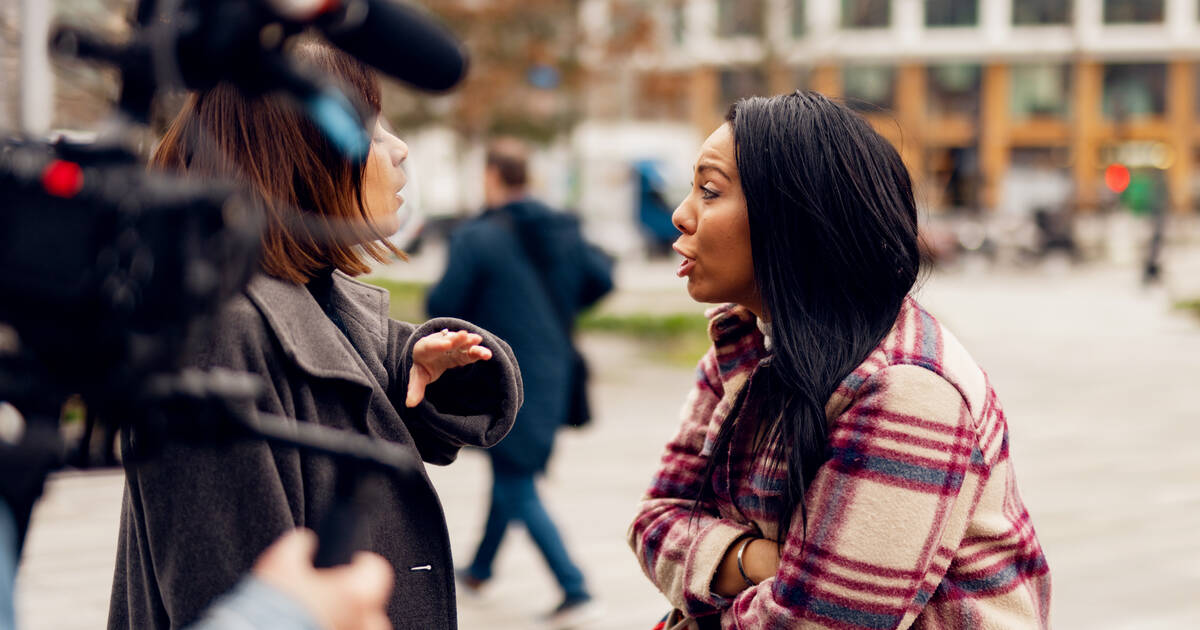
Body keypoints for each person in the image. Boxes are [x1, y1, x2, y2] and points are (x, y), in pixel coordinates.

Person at [108, 41, 522, 630]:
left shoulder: (322, 300)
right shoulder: (218, 331)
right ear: (297, 155)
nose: (399, 150)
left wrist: (427, 368)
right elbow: (229, 594)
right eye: (372, 132)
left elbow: (368, 396)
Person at [628, 91, 1051, 629]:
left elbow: (815, 623)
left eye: (710, 192)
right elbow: (654, 520)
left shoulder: (909, 392)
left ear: (792, 218)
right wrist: (759, 561)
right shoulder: (744, 346)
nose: (680, 214)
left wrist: (719, 571)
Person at [427, 139, 611, 628]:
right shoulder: (561, 228)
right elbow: (602, 278)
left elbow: (442, 303)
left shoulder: (478, 236)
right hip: (555, 369)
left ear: (491, 177)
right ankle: (481, 571)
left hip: (503, 374)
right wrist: (561, 311)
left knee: (516, 478)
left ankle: (575, 589)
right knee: (513, 470)